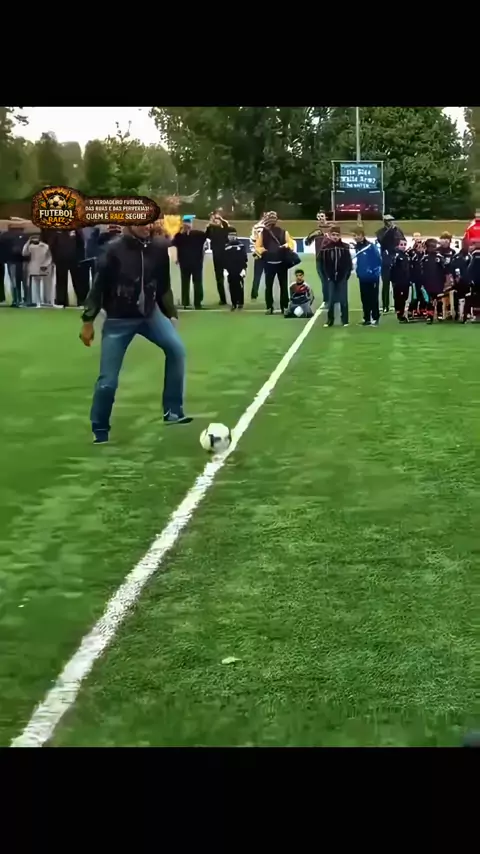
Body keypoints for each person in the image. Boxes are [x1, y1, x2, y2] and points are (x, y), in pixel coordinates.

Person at [80, 223, 191, 444]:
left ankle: (173, 410)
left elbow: (163, 285)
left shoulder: (159, 248)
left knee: (176, 350)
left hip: (150, 315)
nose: (147, 226)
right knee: (108, 381)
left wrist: (171, 313)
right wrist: (88, 321)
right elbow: (98, 288)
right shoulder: (112, 250)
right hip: (118, 321)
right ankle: (100, 428)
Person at [254, 211, 295, 315]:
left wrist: (264, 251)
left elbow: (258, 247)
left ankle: (272, 307)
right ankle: (282, 307)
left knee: (271, 286)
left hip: (273, 263)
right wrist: (285, 246)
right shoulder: (282, 232)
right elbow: (291, 243)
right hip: (277, 263)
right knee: (281, 286)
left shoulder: (265, 233)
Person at [43, 227, 88, 308]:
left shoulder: (76, 230)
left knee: (78, 281)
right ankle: (61, 301)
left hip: (74, 259)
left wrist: (80, 258)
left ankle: (81, 301)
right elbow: (52, 245)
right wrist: (55, 258)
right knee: (61, 281)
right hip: (60, 260)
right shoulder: (57, 231)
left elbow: (81, 244)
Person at [319, 225, 352, 328]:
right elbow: (322, 264)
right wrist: (326, 276)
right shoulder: (325, 249)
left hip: (342, 277)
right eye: (333, 235)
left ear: (340, 235)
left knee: (343, 299)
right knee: (331, 300)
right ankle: (330, 320)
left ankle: (345, 320)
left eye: (337, 235)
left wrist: (346, 275)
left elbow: (348, 263)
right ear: (330, 235)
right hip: (330, 277)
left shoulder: (345, 247)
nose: (335, 237)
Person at [171, 215, 207, 310]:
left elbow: (208, 235)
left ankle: (196, 303)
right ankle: (187, 302)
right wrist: (175, 258)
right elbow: (173, 245)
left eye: (188, 223)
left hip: (196, 262)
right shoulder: (179, 236)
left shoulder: (198, 234)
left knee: (196, 283)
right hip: (186, 262)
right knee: (187, 282)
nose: (187, 225)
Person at [376, 214, 405, 313]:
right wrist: (390, 231)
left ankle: (397, 305)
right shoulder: (380, 232)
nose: (391, 222)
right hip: (386, 261)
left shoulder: (398, 231)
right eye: (388, 221)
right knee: (386, 284)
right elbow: (382, 241)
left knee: (396, 285)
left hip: (396, 260)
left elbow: (403, 241)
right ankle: (385, 305)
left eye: (391, 220)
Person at [352, 227, 381, 326]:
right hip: (362, 277)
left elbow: (378, 260)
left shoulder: (371, 246)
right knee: (364, 298)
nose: (356, 237)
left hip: (372, 277)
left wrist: (373, 272)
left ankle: (375, 317)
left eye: (358, 235)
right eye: (354, 236)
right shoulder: (357, 247)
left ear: (362, 235)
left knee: (373, 298)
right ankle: (367, 318)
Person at [305, 211, 334, 308]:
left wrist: (328, 236)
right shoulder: (316, 230)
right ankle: (326, 300)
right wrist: (311, 236)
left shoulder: (331, 228)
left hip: (330, 258)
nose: (321, 218)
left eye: (322, 216)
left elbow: (337, 240)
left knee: (331, 279)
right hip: (319, 259)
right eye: (319, 216)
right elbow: (307, 243)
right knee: (324, 280)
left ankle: (333, 298)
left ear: (325, 217)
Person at [419, 238, 447, 324]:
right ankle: (429, 316)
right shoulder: (424, 258)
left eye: (434, 246)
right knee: (429, 300)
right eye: (431, 247)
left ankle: (439, 314)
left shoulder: (440, 257)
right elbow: (422, 271)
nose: (433, 248)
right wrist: (422, 282)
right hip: (428, 282)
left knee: (439, 299)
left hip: (438, 282)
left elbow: (444, 270)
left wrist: (444, 281)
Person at [205, 210, 229, 305]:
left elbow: (226, 225)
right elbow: (206, 235)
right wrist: (210, 223)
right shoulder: (212, 230)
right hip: (217, 257)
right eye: (215, 219)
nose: (216, 220)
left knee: (232, 277)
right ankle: (223, 299)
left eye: (217, 219)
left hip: (227, 255)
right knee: (219, 279)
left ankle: (235, 298)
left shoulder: (225, 228)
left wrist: (219, 219)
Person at [22, 234, 53, 306]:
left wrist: (45, 264)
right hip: (34, 267)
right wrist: (28, 242)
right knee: (35, 285)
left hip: (44, 268)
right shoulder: (30, 247)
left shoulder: (45, 246)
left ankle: (47, 301)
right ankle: (37, 301)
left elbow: (49, 257)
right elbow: (24, 253)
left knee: (46, 285)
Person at [222, 227, 248, 311]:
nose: (231, 237)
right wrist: (225, 269)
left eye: (233, 235)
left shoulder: (241, 245)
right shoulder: (226, 246)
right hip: (230, 270)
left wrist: (243, 269)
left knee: (239, 286)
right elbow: (224, 259)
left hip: (239, 269)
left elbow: (244, 258)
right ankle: (233, 303)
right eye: (230, 235)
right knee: (231, 286)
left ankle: (240, 302)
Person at [5, 221, 29, 307]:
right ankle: (25, 300)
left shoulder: (6, 236)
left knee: (15, 281)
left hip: (14, 261)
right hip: (22, 261)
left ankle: (17, 300)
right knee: (23, 281)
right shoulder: (25, 237)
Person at [390, 238, 412, 323]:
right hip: (398, 281)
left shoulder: (406, 255)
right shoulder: (395, 256)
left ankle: (401, 312)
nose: (403, 246)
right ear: (397, 245)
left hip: (406, 281)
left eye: (404, 245)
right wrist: (393, 280)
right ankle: (400, 314)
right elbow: (392, 269)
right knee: (399, 298)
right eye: (401, 245)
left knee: (405, 297)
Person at [452, 238, 472, 321]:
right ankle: (460, 314)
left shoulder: (470, 256)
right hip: (460, 281)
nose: (467, 246)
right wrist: (457, 277)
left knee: (468, 297)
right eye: (466, 244)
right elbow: (455, 268)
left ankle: (466, 314)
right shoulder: (457, 257)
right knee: (460, 298)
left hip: (468, 281)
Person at [250, 213, 266, 300]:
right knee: (269, 275)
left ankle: (254, 293)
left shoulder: (256, 226)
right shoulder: (269, 226)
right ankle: (268, 292)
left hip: (258, 253)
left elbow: (253, 240)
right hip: (267, 253)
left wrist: (254, 251)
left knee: (257, 275)